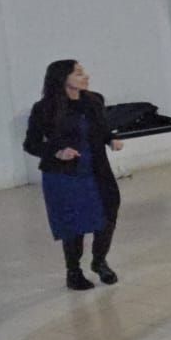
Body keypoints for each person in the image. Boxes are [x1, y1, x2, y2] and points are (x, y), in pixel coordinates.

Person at [24, 60, 124, 291]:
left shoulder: (94, 100)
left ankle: (99, 261)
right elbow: (31, 144)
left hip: (97, 169)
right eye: (78, 73)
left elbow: (102, 129)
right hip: (65, 175)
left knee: (108, 216)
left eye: (84, 73)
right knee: (74, 224)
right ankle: (73, 271)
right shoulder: (44, 108)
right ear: (63, 78)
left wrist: (110, 139)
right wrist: (57, 152)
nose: (85, 76)